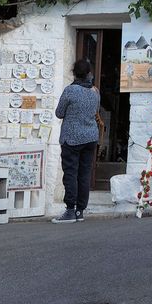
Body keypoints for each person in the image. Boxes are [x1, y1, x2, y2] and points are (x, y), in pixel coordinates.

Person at [53, 58, 100, 223]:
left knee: (71, 174)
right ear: (88, 73)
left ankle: (70, 210)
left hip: (71, 139)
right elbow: (95, 111)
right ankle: (80, 211)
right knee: (85, 174)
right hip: (91, 137)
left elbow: (59, 113)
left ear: (74, 73)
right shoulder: (95, 91)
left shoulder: (70, 91)